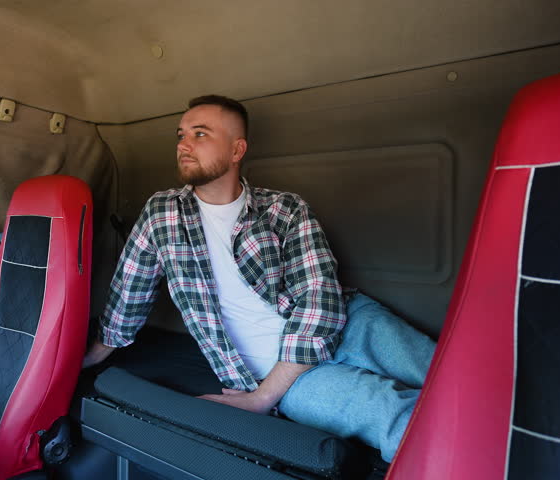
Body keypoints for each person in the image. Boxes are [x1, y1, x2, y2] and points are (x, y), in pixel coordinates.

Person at [83, 95, 435, 461]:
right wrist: (94, 354)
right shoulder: (162, 213)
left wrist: (262, 400)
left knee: (452, 373)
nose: (183, 145)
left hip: (349, 323)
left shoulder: (284, 209)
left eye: (200, 134)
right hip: (284, 378)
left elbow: (320, 299)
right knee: (399, 420)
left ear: (237, 150)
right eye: (180, 135)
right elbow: (130, 291)